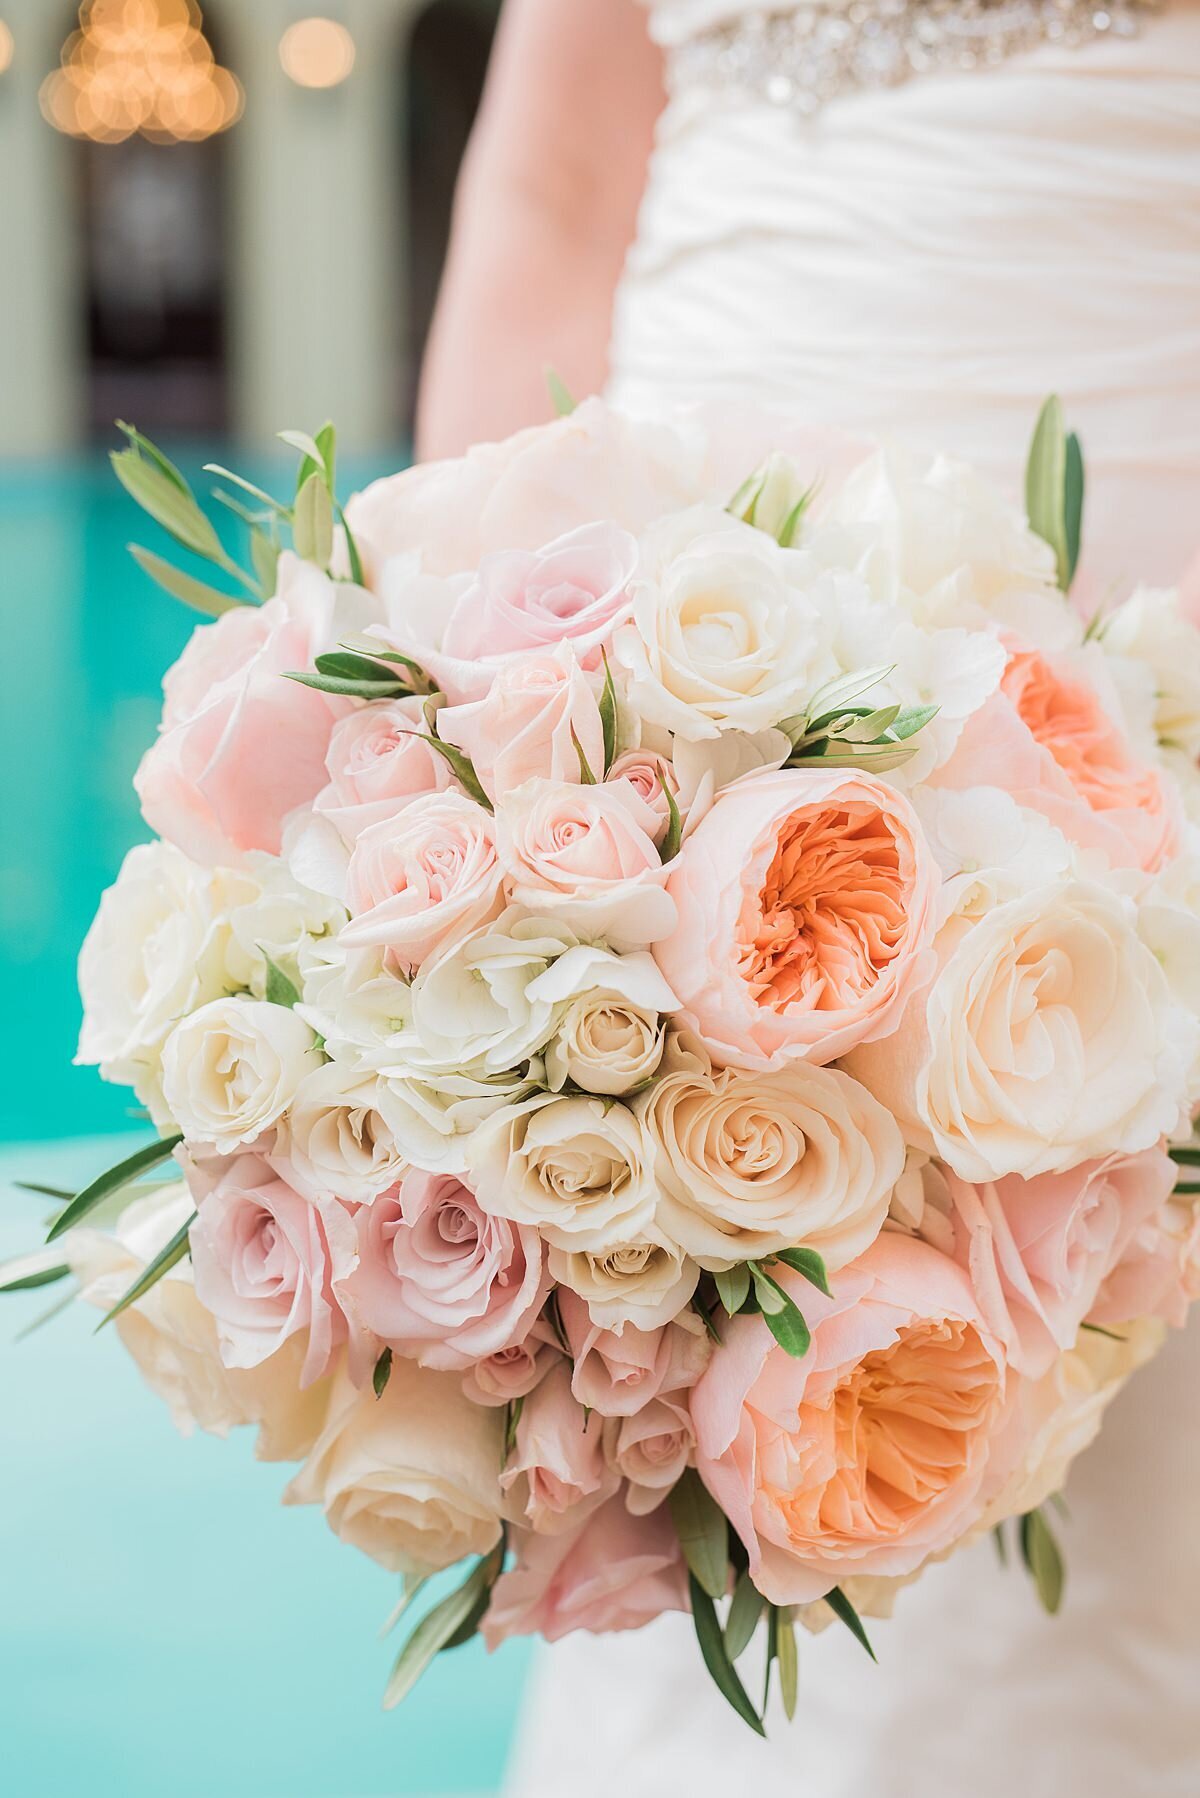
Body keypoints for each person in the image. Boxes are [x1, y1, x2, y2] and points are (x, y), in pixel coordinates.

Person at [417, 3, 1200, 1791]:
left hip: (1143, 671)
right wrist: (486, 698)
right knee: (677, 1413)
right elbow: (548, 189)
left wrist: (1137, 766)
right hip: (658, 686)